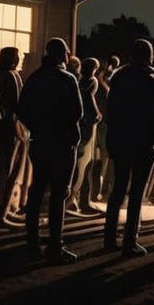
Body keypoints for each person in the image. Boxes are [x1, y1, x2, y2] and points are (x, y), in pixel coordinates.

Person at [17, 37, 84, 264]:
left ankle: (32, 241)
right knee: (59, 192)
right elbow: (78, 112)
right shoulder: (67, 79)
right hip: (63, 142)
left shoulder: (35, 78)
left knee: (37, 190)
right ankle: (55, 245)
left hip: (40, 140)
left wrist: (37, 126)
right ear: (62, 54)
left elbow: (22, 109)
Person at [103, 38, 154, 257]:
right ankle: (130, 240)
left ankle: (109, 237)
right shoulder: (151, 79)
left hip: (120, 139)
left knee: (117, 189)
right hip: (142, 141)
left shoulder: (119, 76)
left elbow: (110, 109)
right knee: (136, 192)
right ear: (148, 55)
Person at [0, 46, 23, 230]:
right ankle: (1, 213)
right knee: (7, 171)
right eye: (17, 56)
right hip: (9, 128)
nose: (19, 59)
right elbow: (18, 104)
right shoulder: (11, 76)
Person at [68, 57, 102, 215]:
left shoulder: (78, 81)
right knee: (85, 163)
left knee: (79, 163)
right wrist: (97, 113)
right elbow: (90, 97)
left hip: (80, 124)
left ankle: (76, 199)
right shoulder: (92, 81)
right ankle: (78, 199)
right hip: (87, 125)